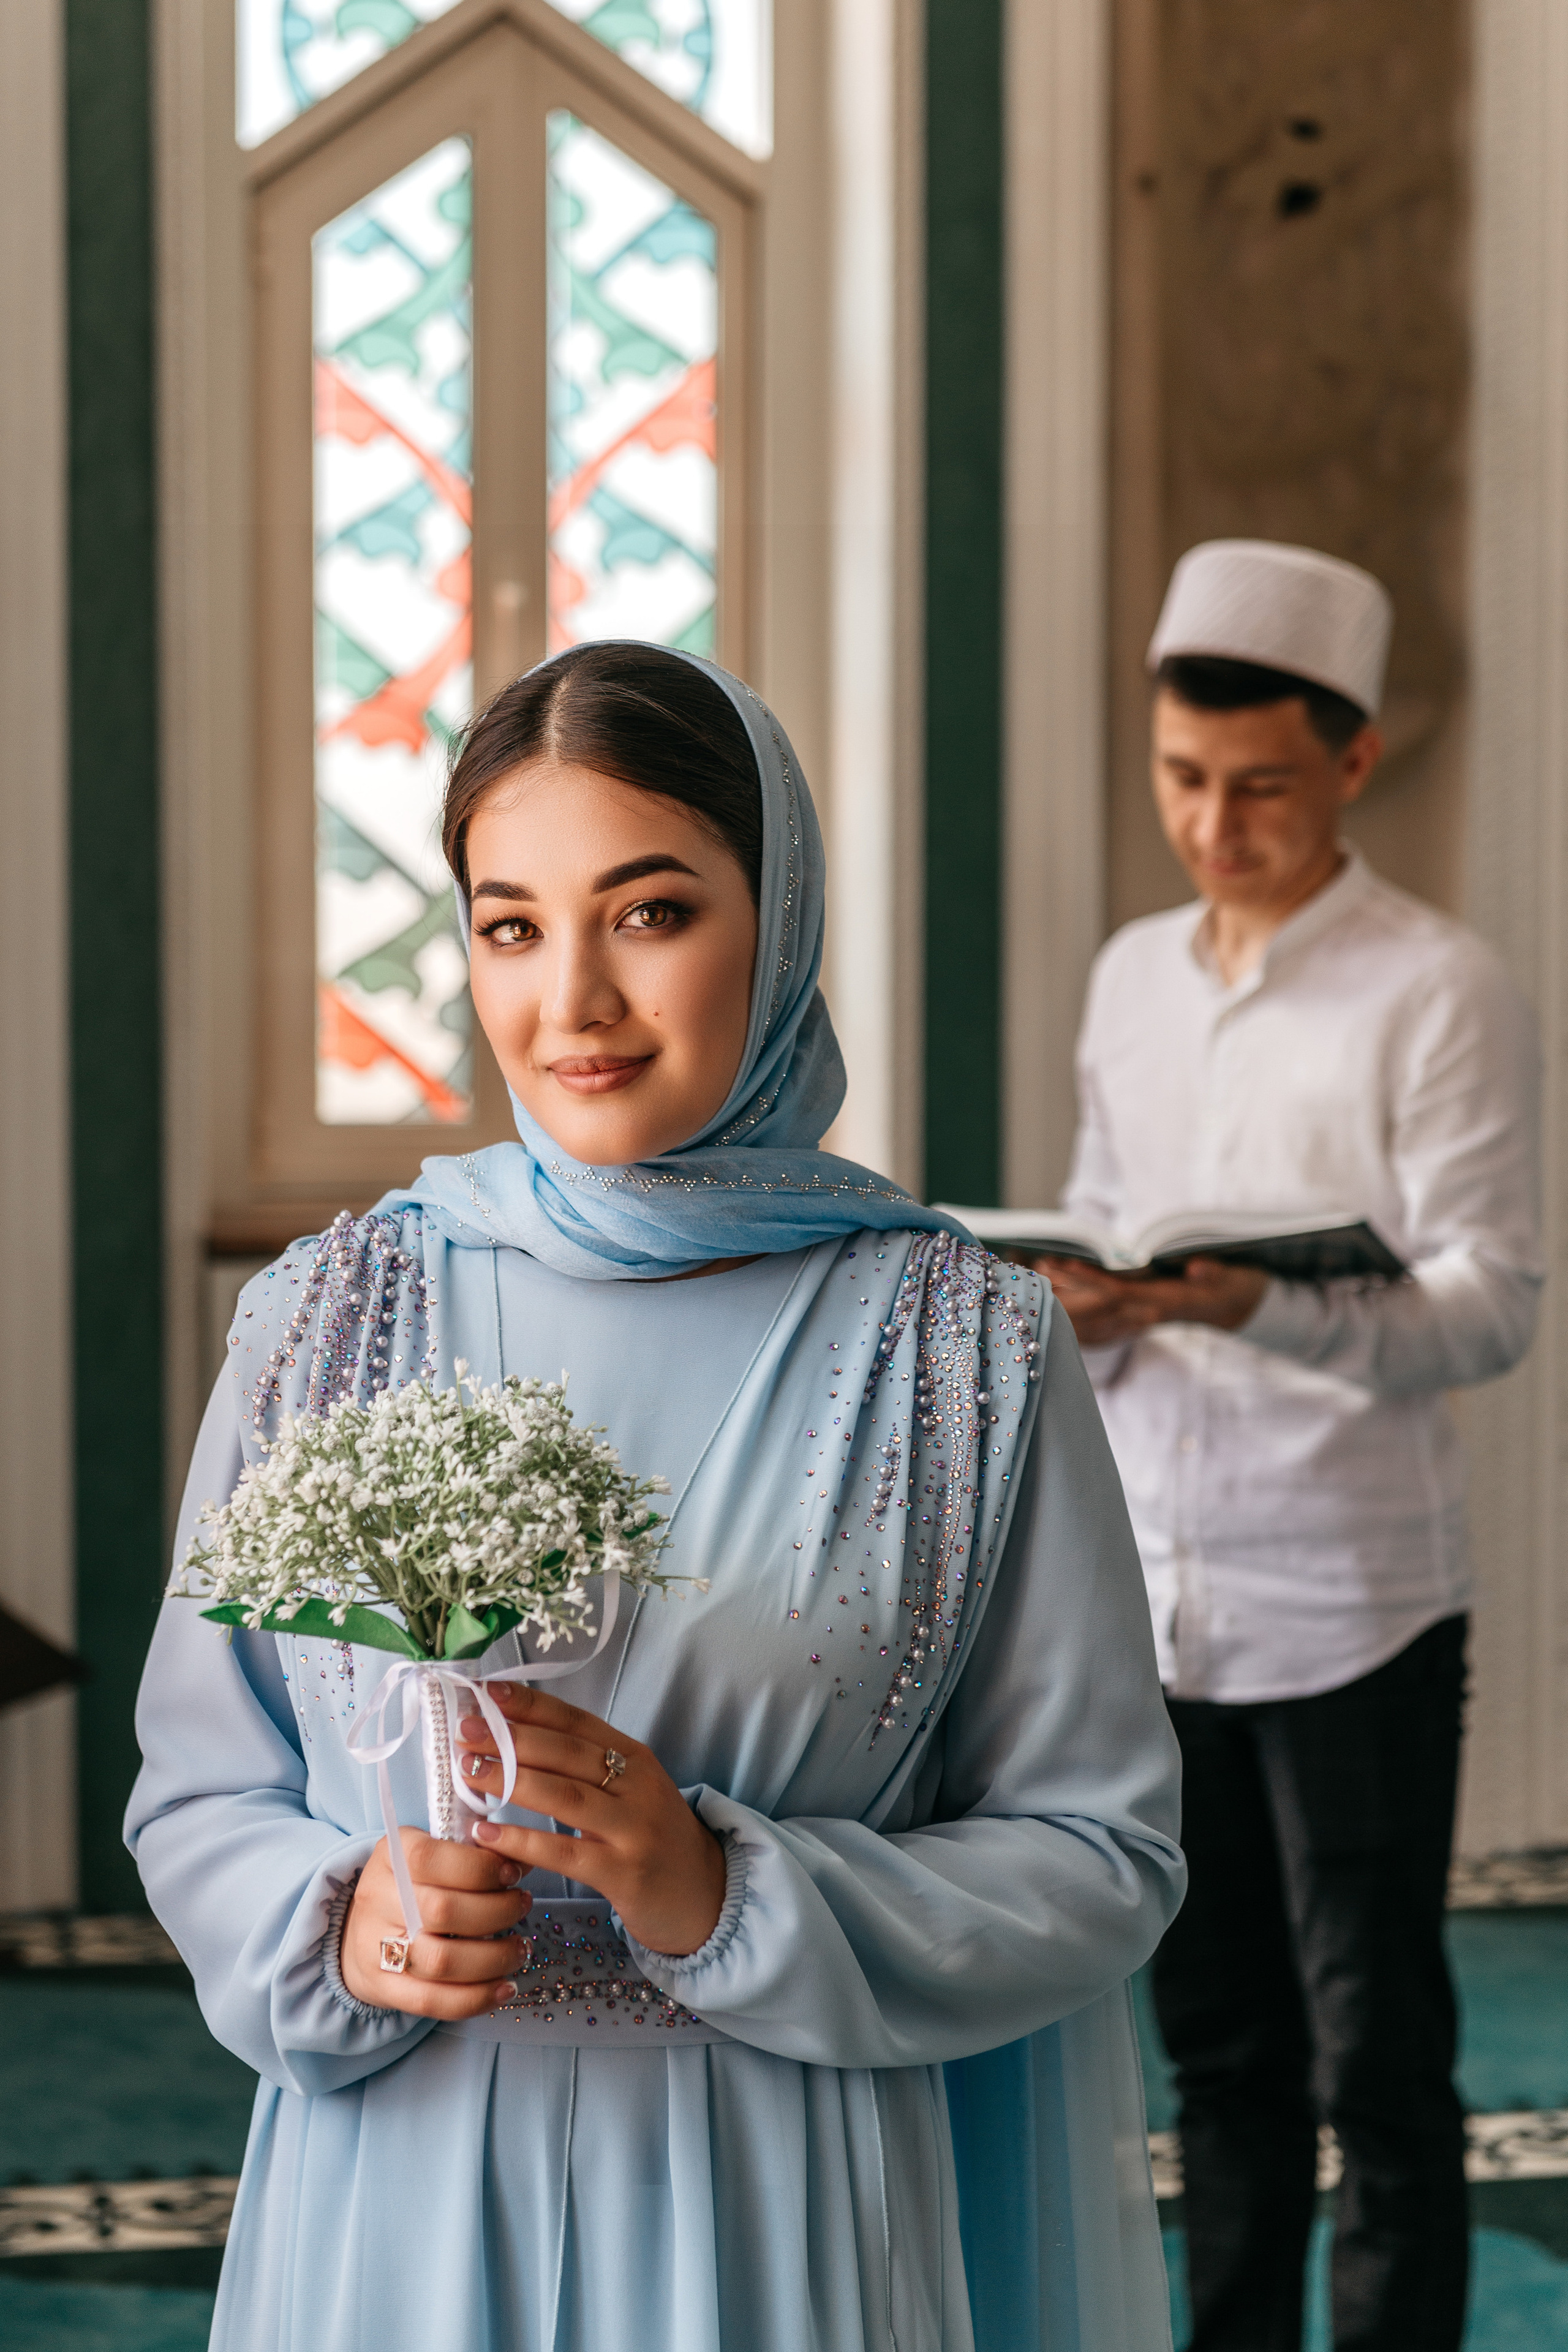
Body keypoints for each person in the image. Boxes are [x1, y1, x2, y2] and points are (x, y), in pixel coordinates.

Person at [127, 643, 1185, 2352]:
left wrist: (723, 1892)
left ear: (780, 920)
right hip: (393, 2212)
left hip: (777, 2214)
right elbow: (201, 1787)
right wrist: (342, 1924)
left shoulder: (960, 1343)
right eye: (512, 925)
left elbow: (1101, 1853)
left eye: (653, 912)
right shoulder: (329, 1317)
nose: (574, 1008)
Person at [1041, 541, 1543, 2352]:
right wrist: (1088, 1304)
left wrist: (1257, 1307)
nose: (1214, 826)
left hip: (1358, 1605)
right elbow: (1106, 1212)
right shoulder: (1131, 977)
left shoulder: (1437, 988)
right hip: (1165, 1601)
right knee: (1221, 2054)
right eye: (1182, 781)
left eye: (1259, 788)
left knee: (1378, 2058)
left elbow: (1492, 1309)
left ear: (1354, 761)